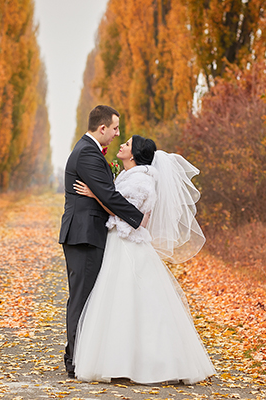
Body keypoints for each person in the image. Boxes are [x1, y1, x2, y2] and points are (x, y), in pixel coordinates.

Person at [72, 135, 215, 384]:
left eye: (126, 144)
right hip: (122, 242)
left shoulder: (140, 179)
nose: (122, 145)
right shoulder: (132, 176)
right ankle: (123, 361)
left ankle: (144, 363)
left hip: (128, 244)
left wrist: (95, 195)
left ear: (135, 154)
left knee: (129, 300)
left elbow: (130, 214)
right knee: (123, 301)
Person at [59, 105, 148, 378]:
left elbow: (103, 193)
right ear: (102, 128)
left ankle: (78, 355)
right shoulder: (87, 152)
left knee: (85, 297)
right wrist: (138, 217)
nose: (117, 134)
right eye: (115, 128)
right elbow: (108, 196)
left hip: (87, 233)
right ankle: (74, 360)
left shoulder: (88, 150)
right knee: (82, 298)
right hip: (84, 235)